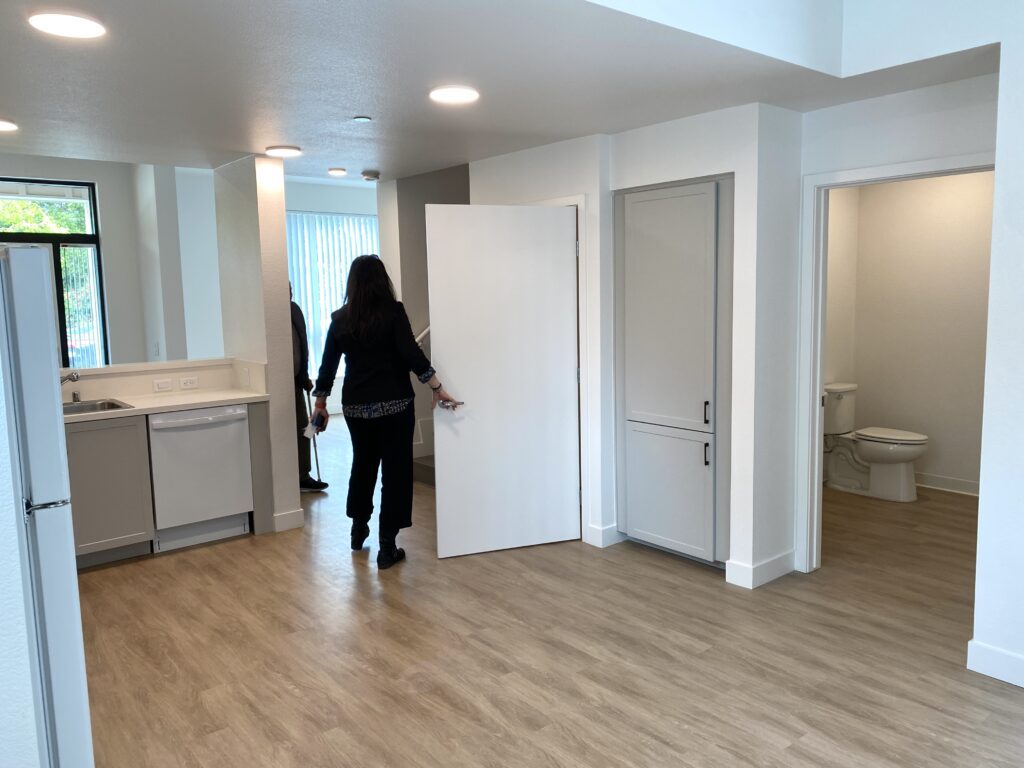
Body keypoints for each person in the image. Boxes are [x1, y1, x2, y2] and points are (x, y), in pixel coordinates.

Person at [311, 255, 457, 569]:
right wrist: (435, 386)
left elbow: (327, 365)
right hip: (394, 405)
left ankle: (357, 527)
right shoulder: (393, 312)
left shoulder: (340, 319)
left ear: (352, 283)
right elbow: (411, 353)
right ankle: (387, 546)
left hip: (355, 407)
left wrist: (320, 404)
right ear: (382, 281)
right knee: (396, 473)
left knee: (363, 465)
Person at [291, 284, 328, 492]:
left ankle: (303, 474)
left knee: (305, 429)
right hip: (280, 382)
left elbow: (302, 345)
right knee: (293, 429)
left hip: (297, 379)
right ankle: (293, 475)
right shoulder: (269, 314)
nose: (289, 292)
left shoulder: (294, 310)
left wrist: (304, 375)